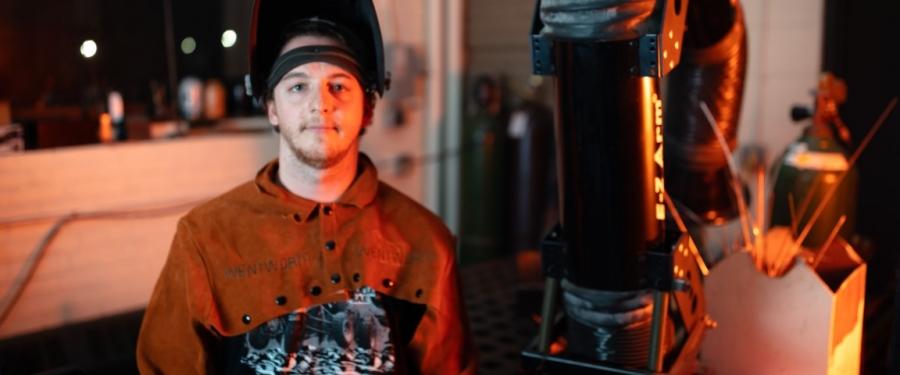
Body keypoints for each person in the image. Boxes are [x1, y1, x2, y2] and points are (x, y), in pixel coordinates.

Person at [136, 1, 476, 373]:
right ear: (272, 108)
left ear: (367, 109)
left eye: (339, 86)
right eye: (298, 86)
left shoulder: (426, 241)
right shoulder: (204, 239)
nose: (320, 104)